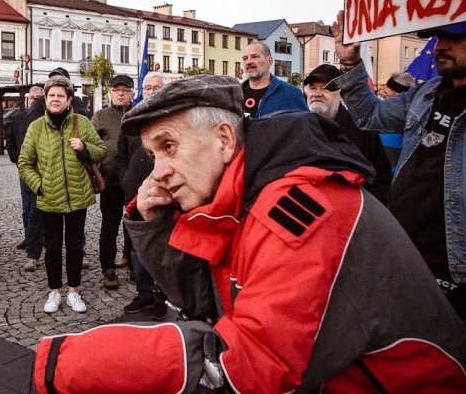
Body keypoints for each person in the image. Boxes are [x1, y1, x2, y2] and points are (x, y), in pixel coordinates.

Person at [119, 75, 466, 391]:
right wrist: (155, 226)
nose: (157, 172)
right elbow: (207, 304)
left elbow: (253, 370)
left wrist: (67, 359)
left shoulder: (294, 205)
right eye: (152, 155)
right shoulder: (231, 196)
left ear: (225, 139)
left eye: (169, 147)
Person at [331, 14, 466, 320]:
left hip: (456, 268)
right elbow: (371, 117)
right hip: (408, 253)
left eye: (453, 38)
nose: (439, 47)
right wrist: (351, 65)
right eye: (437, 38)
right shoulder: (427, 93)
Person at [18, 76, 106, 314]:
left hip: (78, 197)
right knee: (54, 248)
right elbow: (24, 163)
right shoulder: (36, 128)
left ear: (69, 100)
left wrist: (85, 148)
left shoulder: (82, 123)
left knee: (75, 245)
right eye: (51, 96)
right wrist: (40, 186)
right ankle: (54, 291)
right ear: (45, 100)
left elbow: (102, 151)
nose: (55, 99)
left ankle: (74, 291)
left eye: (60, 96)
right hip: (49, 199)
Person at [115, 72, 168, 319]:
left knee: (162, 246)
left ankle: (162, 295)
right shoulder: (132, 119)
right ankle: (144, 292)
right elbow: (122, 155)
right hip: (134, 194)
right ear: (142, 91)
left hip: (165, 195)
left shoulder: (172, 119)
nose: (152, 91)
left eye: (157, 87)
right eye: (148, 88)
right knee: (137, 247)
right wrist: (127, 179)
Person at [303, 64, 393, 205]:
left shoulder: (361, 128)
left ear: (341, 93)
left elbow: (381, 177)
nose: (316, 93)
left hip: (352, 213)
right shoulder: (298, 129)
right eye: (312, 88)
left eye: (325, 87)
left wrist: (367, 213)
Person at [91, 74, 134, 290]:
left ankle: (133, 262)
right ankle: (108, 269)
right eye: (116, 90)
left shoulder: (138, 114)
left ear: (132, 94)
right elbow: (91, 144)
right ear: (111, 93)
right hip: (110, 181)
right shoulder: (100, 116)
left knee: (134, 224)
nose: (120, 93)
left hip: (135, 181)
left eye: (124, 90)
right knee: (109, 226)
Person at [5, 84, 45, 272]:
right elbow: (10, 139)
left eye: (39, 98)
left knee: (40, 208)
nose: (35, 100)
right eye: (33, 98)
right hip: (24, 169)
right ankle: (30, 238)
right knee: (27, 207)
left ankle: (37, 240)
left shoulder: (46, 118)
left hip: (44, 170)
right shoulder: (19, 117)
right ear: (28, 99)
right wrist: (16, 158)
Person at [241, 41, 307, 118]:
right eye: (245, 58)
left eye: (255, 56)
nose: (248, 62)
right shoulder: (234, 94)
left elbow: (304, 126)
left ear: (269, 61)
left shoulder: (291, 94)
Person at [377, 71, 415, 170]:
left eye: (388, 88)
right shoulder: (415, 109)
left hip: (394, 169)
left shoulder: (392, 113)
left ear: (398, 93)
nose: (384, 91)